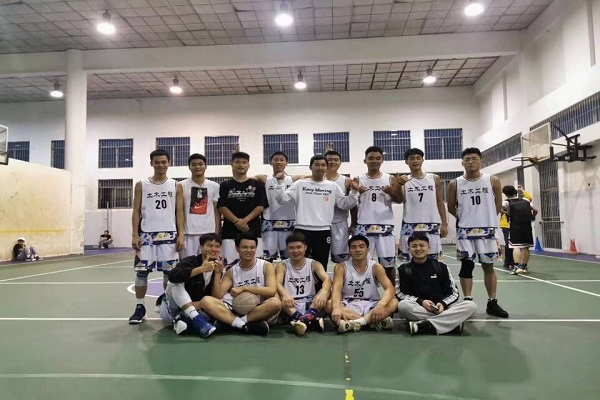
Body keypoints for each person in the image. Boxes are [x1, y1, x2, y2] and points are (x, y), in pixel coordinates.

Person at [447, 147, 509, 318]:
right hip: (465, 231)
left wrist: (487, 219)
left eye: (474, 158)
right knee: (467, 266)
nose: (471, 162)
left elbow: (498, 205)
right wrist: (466, 219)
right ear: (462, 163)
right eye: (467, 159)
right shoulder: (455, 183)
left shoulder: (492, 180)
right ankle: (468, 302)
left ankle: (492, 302)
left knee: (488, 266)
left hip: (487, 230)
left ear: (481, 161)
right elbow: (451, 207)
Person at [273, 155, 359, 270]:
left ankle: (320, 283)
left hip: (323, 231)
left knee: (321, 265)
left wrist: (354, 192)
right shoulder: (300, 184)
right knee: (298, 264)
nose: (320, 167)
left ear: (326, 167)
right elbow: (282, 199)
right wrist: (280, 183)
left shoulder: (332, 186)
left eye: (323, 165)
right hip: (302, 230)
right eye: (317, 165)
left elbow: (345, 204)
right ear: (310, 167)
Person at [129, 149, 184, 324]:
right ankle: (140, 307)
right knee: (141, 273)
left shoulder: (176, 185)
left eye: (164, 162)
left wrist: (181, 234)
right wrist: (134, 234)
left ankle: (167, 305)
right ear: (151, 163)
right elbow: (136, 211)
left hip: (169, 235)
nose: (161, 165)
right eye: (157, 162)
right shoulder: (141, 185)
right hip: (146, 236)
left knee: (169, 274)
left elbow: (179, 212)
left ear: (169, 163)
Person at [200, 232, 282, 335]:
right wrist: (217, 273)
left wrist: (244, 288)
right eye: (244, 247)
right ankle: (245, 325)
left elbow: (271, 290)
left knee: (276, 303)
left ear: (256, 248)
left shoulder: (266, 266)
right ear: (237, 248)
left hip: (259, 308)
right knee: (206, 301)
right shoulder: (231, 271)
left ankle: (234, 323)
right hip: (237, 308)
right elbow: (217, 296)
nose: (249, 250)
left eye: (252, 247)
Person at [396, 233, 477, 335]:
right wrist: (421, 302)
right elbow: (401, 293)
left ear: (428, 248)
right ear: (409, 249)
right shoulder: (403, 269)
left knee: (470, 305)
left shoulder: (441, 266)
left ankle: (425, 325)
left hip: (443, 307)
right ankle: (450, 323)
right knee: (403, 306)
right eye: (414, 246)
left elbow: (454, 293)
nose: (418, 249)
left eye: (422, 245)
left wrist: (442, 304)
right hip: (421, 307)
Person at [326, 235, 398, 333]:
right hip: (349, 304)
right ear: (349, 250)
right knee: (329, 305)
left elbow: (390, 289)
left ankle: (355, 323)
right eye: (353, 247)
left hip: (371, 305)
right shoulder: (341, 267)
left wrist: (380, 305)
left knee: (394, 302)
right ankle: (370, 322)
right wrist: (336, 307)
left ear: (368, 250)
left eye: (361, 246)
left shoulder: (376, 266)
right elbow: (336, 290)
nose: (357, 250)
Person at [351, 146, 401, 285]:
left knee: (388, 265)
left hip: (385, 226)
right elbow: (353, 204)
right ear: (365, 160)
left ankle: (392, 293)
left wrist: (391, 192)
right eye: (371, 158)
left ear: (382, 160)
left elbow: (399, 200)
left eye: (378, 158)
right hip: (363, 226)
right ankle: (364, 293)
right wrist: (353, 224)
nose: (375, 161)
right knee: (362, 264)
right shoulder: (358, 179)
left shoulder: (389, 178)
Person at [159, 233, 222, 338]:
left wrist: (218, 273)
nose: (214, 249)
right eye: (210, 246)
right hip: (173, 308)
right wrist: (201, 269)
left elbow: (216, 296)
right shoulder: (191, 261)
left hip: (196, 308)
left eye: (217, 246)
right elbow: (173, 276)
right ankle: (196, 319)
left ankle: (184, 321)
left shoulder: (219, 266)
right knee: (175, 283)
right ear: (201, 247)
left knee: (186, 325)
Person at [397, 148, 448, 261]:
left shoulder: (434, 178)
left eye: (418, 158)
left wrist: (444, 224)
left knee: (434, 261)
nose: (415, 161)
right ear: (406, 161)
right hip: (410, 224)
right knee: (408, 261)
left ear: (422, 160)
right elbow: (399, 200)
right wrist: (398, 185)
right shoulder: (404, 180)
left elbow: (440, 202)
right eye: (412, 158)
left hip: (431, 224)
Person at [218, 151, 268, 267]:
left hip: (252, 231)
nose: (241, 165)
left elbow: (260, 206)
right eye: (237, 162)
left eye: (244, 162)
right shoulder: (225, 185)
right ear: (232, 165)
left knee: (254, 267)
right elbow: (222, 206)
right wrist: (236, 221)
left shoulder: (258, 184)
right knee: (230, 267)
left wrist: (244, 221)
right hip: (230, 232)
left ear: (248, 165)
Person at [275, 232, 331, 335]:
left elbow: (327, 279)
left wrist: (323, 292)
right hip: (291, 304)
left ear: (305, 248)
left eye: (299, 247)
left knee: (327, 291)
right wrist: (285, 294)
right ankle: (310, 320)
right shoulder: (282, 265)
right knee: (277, 297)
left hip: (311, 303)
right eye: (291, 248)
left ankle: (302, 320)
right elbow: (277, 283)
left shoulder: (314, 264)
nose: (295, 251)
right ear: (287, 249)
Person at [255, 151, 303, 262]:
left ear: (286, 163)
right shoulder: (265, 179)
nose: (279, 162)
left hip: (288, 222)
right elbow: (244, 178)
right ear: (270, 162)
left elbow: (310, 176)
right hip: (269, 222)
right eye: (276, 159)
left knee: (289, 258)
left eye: (282, 160)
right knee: (267, 258)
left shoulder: (293, 179)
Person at [179, 153, 221, 258]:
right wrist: (180, 234)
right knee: (189, 264)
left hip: (209, 233)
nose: (197, 167)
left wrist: (216, 233)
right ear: (189, 167)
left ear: (205, 166)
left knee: (209, 264)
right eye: (194, 164)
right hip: (188, 234)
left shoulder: (214, 186)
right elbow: (179, 211)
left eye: (200, 164)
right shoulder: (181, 185)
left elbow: (216, 212)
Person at [325, 150, 353, 263]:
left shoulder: (346, 181)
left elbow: (352, 205)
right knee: (318, 257)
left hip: (339, 223)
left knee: (340, 259)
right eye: (329, 159)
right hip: (320, 224)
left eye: (336, 160)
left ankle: (340, 276)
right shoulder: (315, 179)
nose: (332, 162)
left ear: (340, 163)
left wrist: (353, 224)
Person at [502, 185, 538, 275]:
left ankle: (517, 267)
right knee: (526, 247)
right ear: (515, 191)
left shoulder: (506, 202)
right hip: (527, 226)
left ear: (505, 194)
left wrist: (508, 213)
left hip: (515, 226)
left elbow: (498, 208)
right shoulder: (525, 200)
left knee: (516, 246)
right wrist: (533, 217)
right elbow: (536, 210)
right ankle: (524, 267)